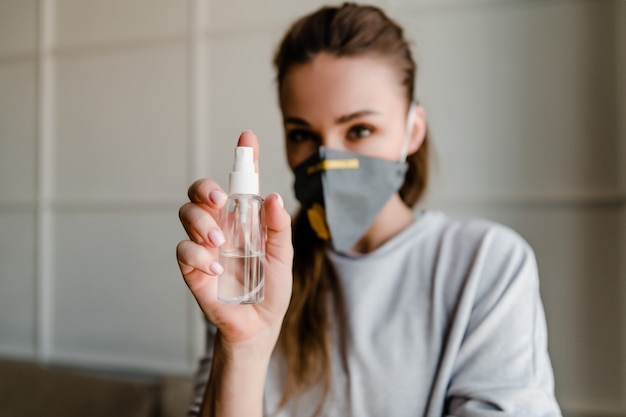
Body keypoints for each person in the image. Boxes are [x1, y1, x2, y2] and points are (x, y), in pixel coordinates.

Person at [176, 3, 562, 417]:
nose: (329, 159)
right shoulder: (253, 272)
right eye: (303, 134)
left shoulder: (486, 263)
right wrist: (243, 347)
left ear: (412, 131)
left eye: (359, 130)